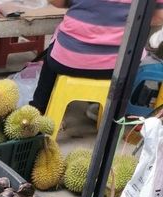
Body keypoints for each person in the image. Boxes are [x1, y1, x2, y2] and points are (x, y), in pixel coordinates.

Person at [30, 0, 163, 114]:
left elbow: (57, 2)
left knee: (55, 49)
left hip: (68, 61)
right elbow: (159, 17)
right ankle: (114, 110)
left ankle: (39, 108)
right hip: (121, 66)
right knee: (136, 54)